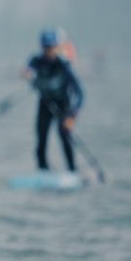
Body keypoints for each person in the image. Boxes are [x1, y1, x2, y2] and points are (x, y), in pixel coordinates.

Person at [22, 27, 85, 172]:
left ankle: (72, 170)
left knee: (64, 137)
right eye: (45, 47)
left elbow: (80, 93)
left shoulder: (64, 65)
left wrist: (72, 116)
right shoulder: (37, 60)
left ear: (57, 47)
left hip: (63, 106)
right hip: (45, 104)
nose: (48, 51)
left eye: (51, 47)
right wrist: (27, 74)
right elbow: (28, 69)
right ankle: (42, 170)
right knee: (41, 138)